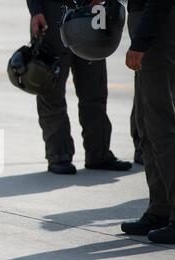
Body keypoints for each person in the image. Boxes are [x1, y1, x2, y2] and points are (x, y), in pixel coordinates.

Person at [26, 0, 132, 174]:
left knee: (95, 91)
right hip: (52, 16)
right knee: (52, 90)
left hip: (90, 11)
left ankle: (99, 154)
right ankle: (59, 155)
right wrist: (36, 11)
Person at [121, 0, 175, 244]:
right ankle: (159, 209)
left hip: (156, 33)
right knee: (145, 125)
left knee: (161, 128)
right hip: (149, 29)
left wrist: (141, 41)